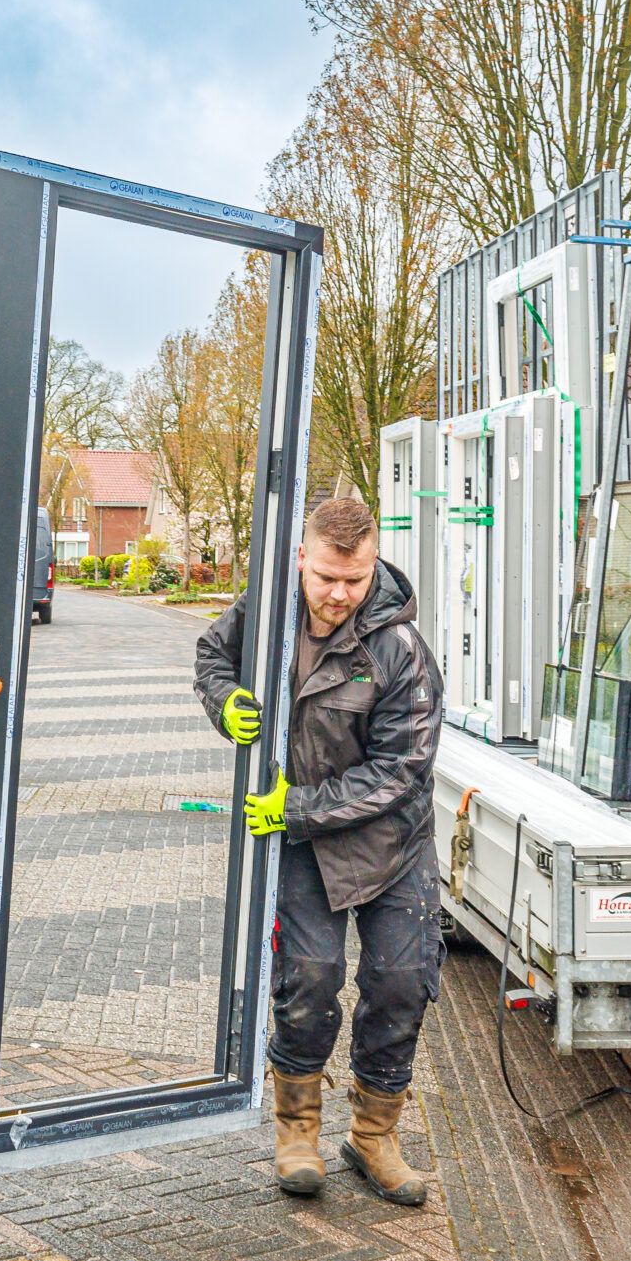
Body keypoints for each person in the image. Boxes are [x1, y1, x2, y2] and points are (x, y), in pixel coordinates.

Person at [194, 496, 442, 1205]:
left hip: (391, 843)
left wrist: (295, 808)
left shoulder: (399, 648)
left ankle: (373, 1136)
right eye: (327, 576)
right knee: (307, 979)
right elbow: (212, 656)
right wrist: (225, 702)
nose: (338, 594)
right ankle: (297, 1130)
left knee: (400, 982)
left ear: (373, 565)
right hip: (304, 843)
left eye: (354, 580)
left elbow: (401, 769)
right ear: (302, 557)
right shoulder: (266, 613)